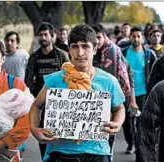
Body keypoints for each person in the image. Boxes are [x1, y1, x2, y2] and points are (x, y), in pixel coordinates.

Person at [29, 24, 126, 162]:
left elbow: (119, 108)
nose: (80, 53)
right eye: (75, 46)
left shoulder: (108, 81)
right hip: (59, 153)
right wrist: (34, 129)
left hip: (96, 152)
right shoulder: (56, 79)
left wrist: (117, 123)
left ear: (95, 49)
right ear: (69, 50)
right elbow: (36, 105)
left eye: (85, 46)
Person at [24, 22, 69, 158]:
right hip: (41, 103)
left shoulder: (61, 55)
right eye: (41, 35)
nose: (43, 37)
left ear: (52, 36)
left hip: (59, 102)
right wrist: (31, 99)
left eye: (46, 34)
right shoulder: (34, 57)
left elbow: (69, 77)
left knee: (60, 135)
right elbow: (29, 79)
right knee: (42, 135)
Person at [91, 24, 137, 155]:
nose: (97, 41)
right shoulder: (89, 51)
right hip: (94, 100)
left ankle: (130, 145)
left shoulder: (115, 52)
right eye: (94, 38)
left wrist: (131, 99)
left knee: (115, 130)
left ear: (104, 36)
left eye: (99, 37)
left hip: (116, 98)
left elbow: (128, 73)